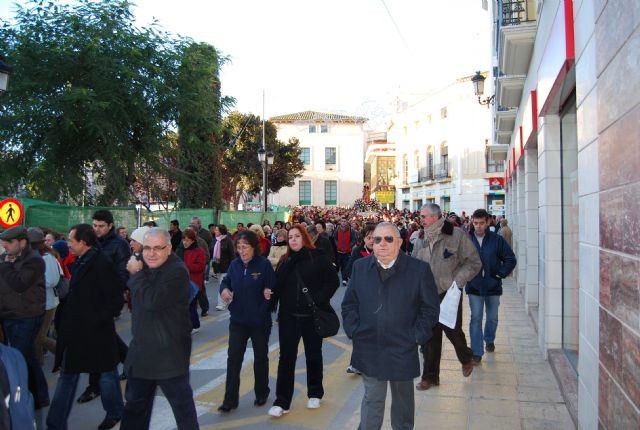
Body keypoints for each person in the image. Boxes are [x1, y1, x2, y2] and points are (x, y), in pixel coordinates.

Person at [342, 222, 439, 430]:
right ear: (371, 243)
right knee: (372, 399)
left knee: (403, 404)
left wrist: (415, 337)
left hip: (402, 348)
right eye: (377, 240)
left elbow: (430, 310)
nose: (382, 244)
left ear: (400, 242)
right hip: (369, 346)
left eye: (388, 239)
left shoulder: (418, 270)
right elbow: (349, 304)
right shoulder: (360, 268)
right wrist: (354, 331)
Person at [46, 224, 124, 430]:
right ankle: (55, 423)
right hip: (76, 332)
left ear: (83, 242)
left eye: (71, 240)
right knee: (69, 375)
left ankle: (115, 411)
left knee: (106, 374)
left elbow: (115, 300)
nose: (68, 244)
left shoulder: (102, 263)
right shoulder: (82, 260)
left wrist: (95, 320)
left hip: (95, 332)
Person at [121, 228, 198, 429]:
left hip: (169, 357)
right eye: (147, 248)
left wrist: (136, 275)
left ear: (169, 249)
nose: (151, 253)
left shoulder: (177, 271)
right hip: (142, 356)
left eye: (158, 248)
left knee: (183, 412)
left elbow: (152, 301)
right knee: (134, 411)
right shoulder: (142, 265)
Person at [268, 225, 339, 417]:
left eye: (297, 236)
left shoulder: (318, 257)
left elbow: (333, 282)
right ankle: (282, 401)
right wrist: (270, 292)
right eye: (290, 237)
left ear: (305, 238)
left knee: (313, 355)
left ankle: (315, 393)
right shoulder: (285, 260)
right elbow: (277, 284)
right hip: (288, 317)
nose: (293, 240)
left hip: (311, 317)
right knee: (286, 358)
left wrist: (319, 298)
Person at [412, 203, 482, 390]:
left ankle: (466, 358)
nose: (421, 219)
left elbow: (474, 263)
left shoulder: (456, 235)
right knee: (430, 337)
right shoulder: (420, 238)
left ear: (435, 217)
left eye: (424, 216)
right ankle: (430, 377)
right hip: (427, 294)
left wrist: (457, 282)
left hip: (449, 292)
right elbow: (413, 265)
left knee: (453, 330)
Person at [76, 209, 131, 404]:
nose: (97, 229)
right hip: (90, 302)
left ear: (110, 226)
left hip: (106, 302)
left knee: (99, 344)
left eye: (101, 226)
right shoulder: (92, 243)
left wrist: (114, 299)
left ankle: (95, 386)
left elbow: (123, 273)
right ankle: (133, 367)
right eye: (95, 226)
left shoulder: (120, 245)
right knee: (107, 341)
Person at [217, 230, 275, 412]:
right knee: (233, 359)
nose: (242, 251)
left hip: (259, 322)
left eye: (245, 247)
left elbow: (273, 289)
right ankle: (230, 399)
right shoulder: (234, 265)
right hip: (238, 320)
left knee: (260, 358)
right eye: (239, 247)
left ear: (254, 247)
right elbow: (226, 281)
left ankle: (261, 392)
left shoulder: (264, 265)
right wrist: (224, 289)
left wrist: (269, 295)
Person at [0, 226, 49, 409]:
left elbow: (19, 283)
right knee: (25, 357)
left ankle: (35, 396)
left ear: (22, 242)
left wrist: (5, 265)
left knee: (22, 357)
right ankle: (36, 395)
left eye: (9, 242)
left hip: (26, 316)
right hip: (9, 314)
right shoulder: (6, 258)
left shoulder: (34, 260)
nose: (5, 246)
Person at [466, 209, 517, 363]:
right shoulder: (467, 240)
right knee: (475, 318)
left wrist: (500, 274)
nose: (478, 226)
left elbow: (510, 259)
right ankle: (476, 352)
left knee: (492, 318)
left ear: (488, 222)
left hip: (493, 286)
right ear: (472, 222)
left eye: (482, 223)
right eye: (476, 223)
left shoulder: (497, 240)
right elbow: (458, 260)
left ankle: (489, 339)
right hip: (474, 286)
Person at [28, 228, 60, 366]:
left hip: (48, 303)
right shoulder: (37, 256)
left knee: (39, 337)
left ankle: (64, 354)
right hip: (38, 303)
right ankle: (37, 362)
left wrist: (31, 280)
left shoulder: (47, 258)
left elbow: (52, 280)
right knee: (36, 337)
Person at [180, 229, 207, 333]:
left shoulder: (199, 251)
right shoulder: (181, 249)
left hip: (194, 283)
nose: (185, 242)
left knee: (190, 305)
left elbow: (201, 267)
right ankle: (192, 324)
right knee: (185, 305)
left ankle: (194, 325)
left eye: (187, 240)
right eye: (183, 240)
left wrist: (185, 266)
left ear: (192, 240)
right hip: (182, 282)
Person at [212, 224, 235, 311]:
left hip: (226, 267)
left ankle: (221, 304)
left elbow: (232, 255)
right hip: (217, 267)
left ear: (221, 231)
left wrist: (232, 267)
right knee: (224, 285)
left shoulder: (228, 240)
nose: (215, 231)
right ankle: (230, 299)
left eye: (217, 230)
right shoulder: (215, 240)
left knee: (222, 285)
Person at [332, 218, 358, 286]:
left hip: (347, 251)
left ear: (347, 222)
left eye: (345, 221)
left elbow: (354, 239)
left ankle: (344, 279)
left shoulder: (351, 230)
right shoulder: (337, 229)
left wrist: (349, 246)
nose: (343, 222)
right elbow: (334, 238)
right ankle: (336, 279)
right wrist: (337, 244)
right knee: (338, 265)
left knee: (345, 265)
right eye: (342, 221)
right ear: (340, 222)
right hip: (339, 251)